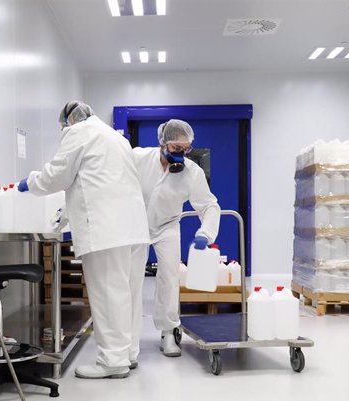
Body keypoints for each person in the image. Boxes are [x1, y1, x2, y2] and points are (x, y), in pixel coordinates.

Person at [17, 101, 150, 379]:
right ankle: (127, 353)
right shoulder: (115, 137)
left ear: (70, 121)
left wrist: (31, 181)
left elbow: (58, 176)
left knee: (107, 292)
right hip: (133, 227)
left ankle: (112, 361)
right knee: (128, 292)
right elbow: (95, 181)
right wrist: (66, 214)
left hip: (107, 230)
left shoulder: (79, 133)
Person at [133, 120, 221, 357]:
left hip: (167, 225)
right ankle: (129, 337)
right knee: (131, 278)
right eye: (176, 148)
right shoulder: (139, 158)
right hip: (135, 225)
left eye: (186, 149)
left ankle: (168, 332)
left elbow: (209, 205)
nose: (181, 154)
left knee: (170, 275)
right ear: (162, 142)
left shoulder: (192, 172)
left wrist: (205, 233)